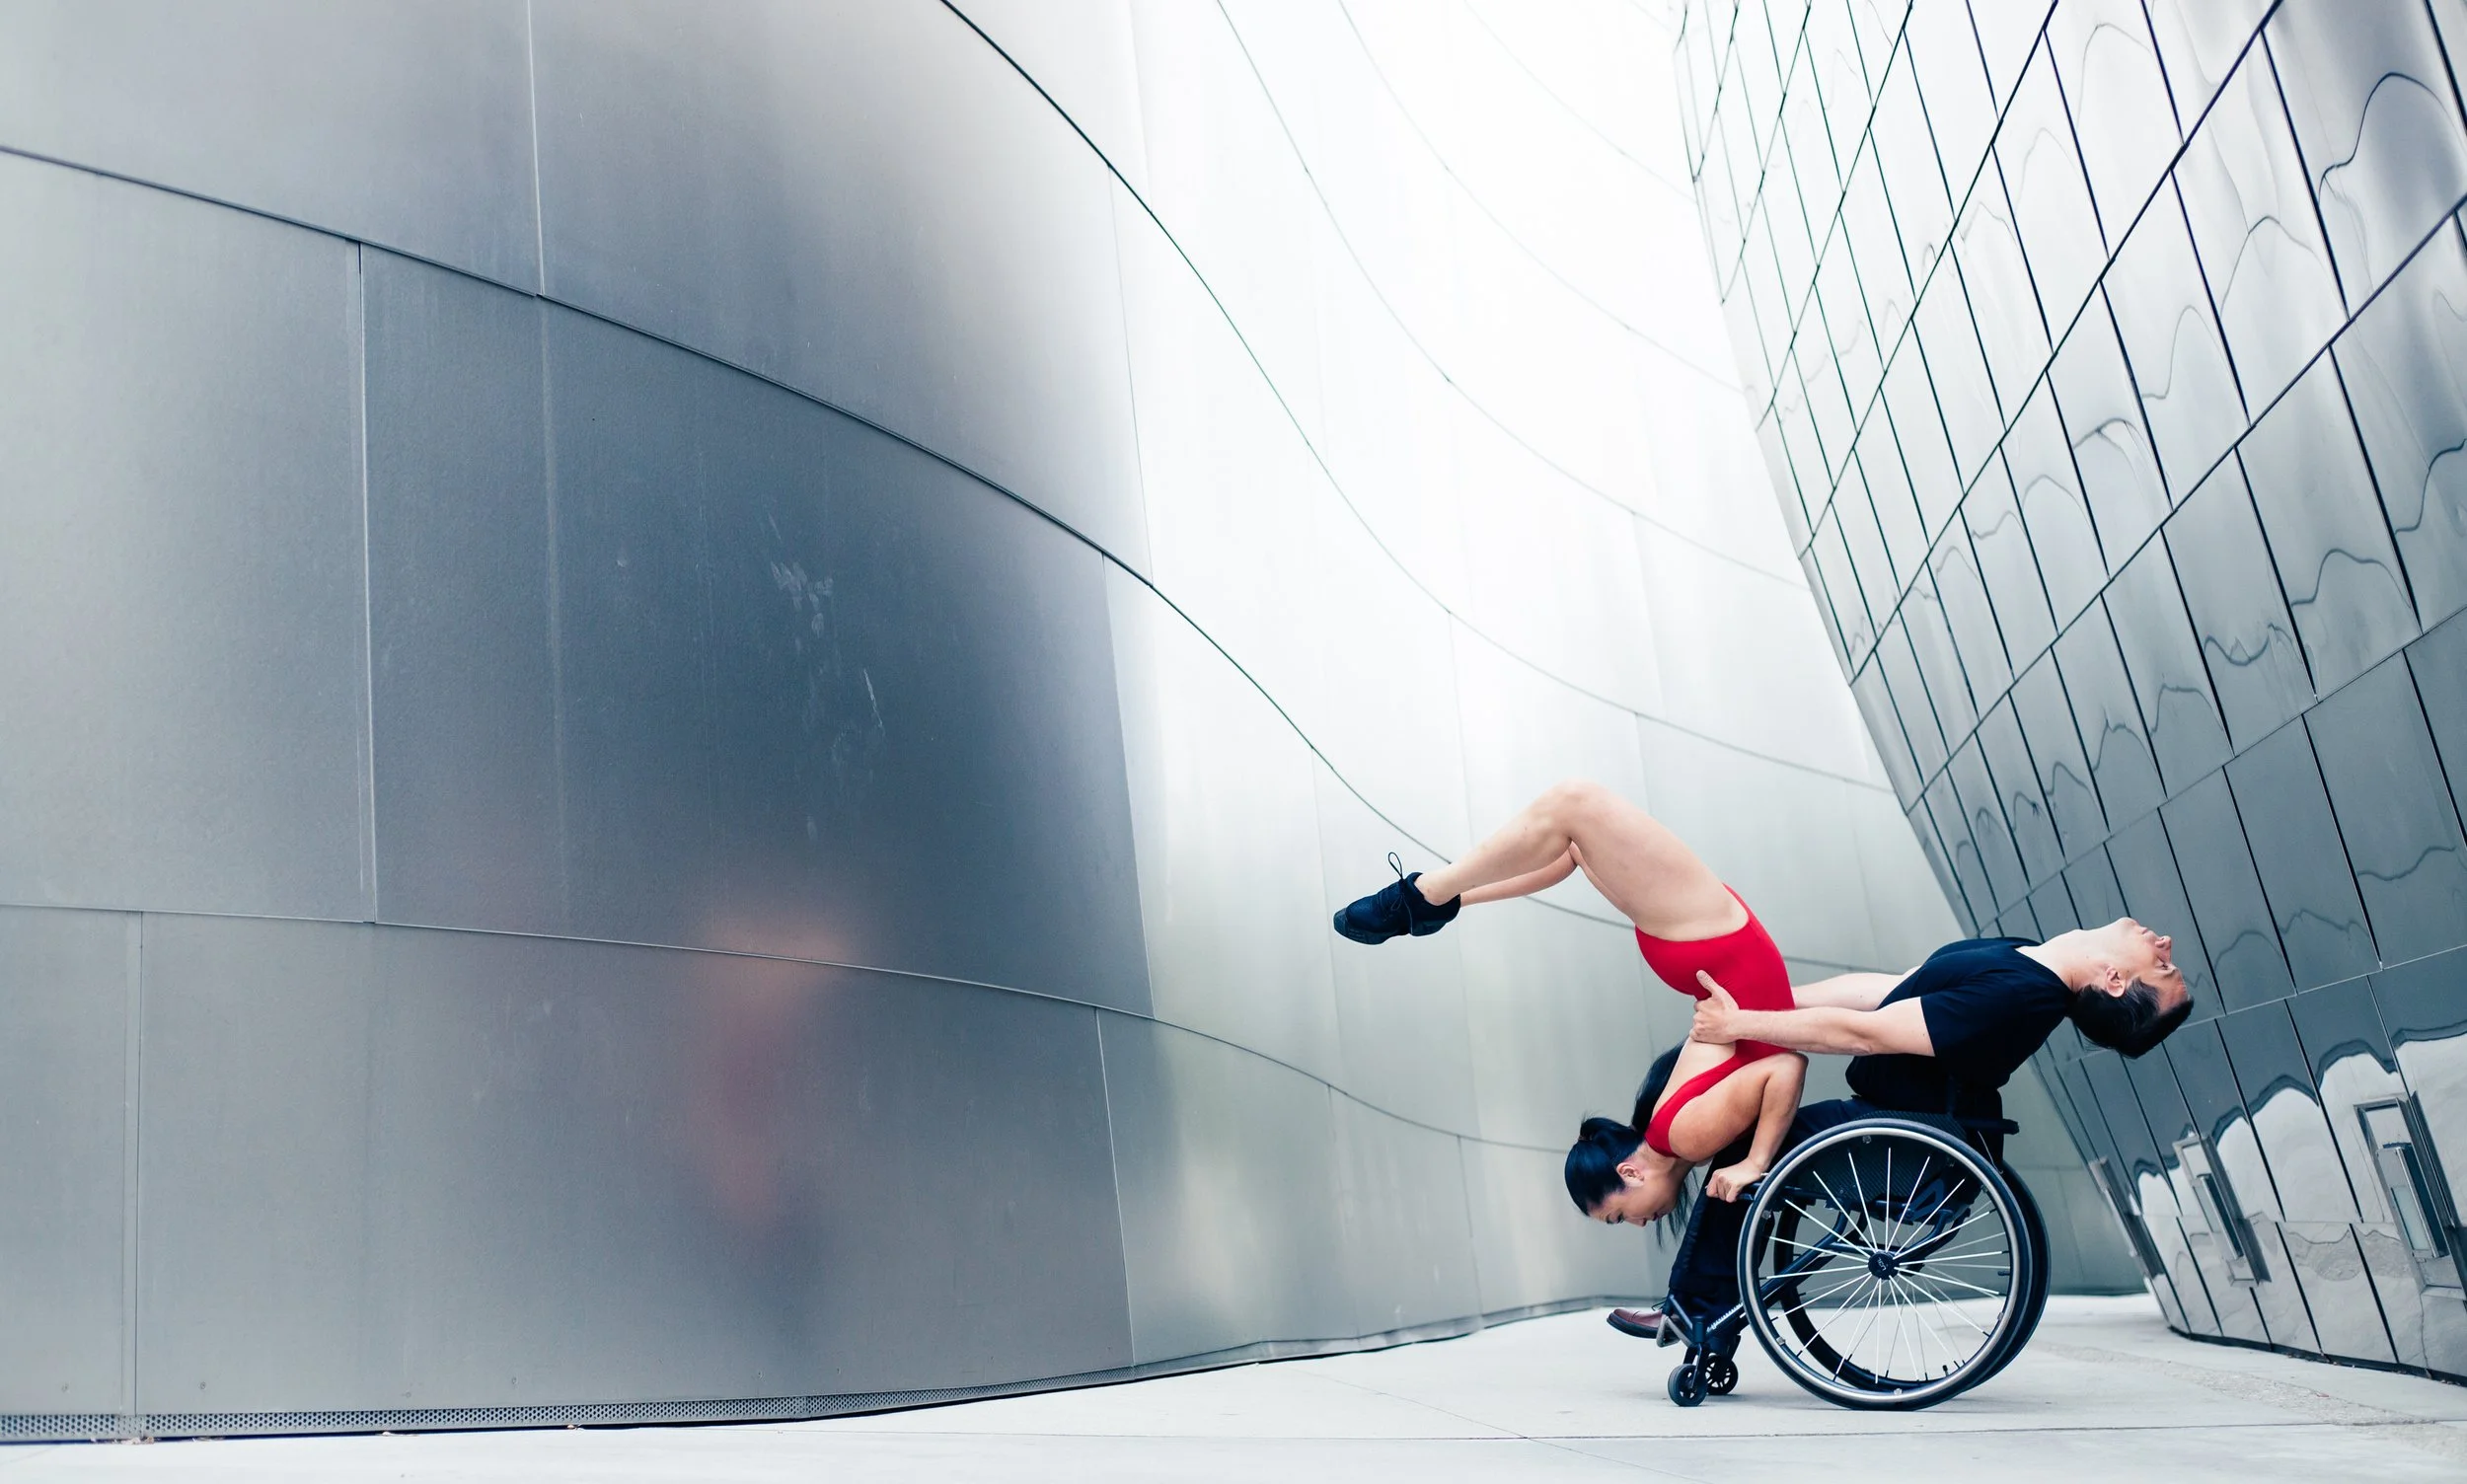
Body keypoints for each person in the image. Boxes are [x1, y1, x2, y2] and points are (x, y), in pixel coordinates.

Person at [1602, 914, 2194, 1342]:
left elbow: (1866, 1033)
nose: (2164, 942)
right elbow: (1885, 991)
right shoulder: (2024, 960)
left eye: (2162, 965)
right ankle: (1704, 1312)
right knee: (1746, 1132)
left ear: (2116, 981)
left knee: (1739, 1146)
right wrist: (1759, 1008)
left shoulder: (2018, 994)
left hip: (1916, 1144)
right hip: (1901, 1124)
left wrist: (1743, 1021)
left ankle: (1693, 1312)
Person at [1329, 779, 1811, 1222]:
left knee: (1575, 824)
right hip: (1711, 943)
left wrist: (1753, 1160)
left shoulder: (1681, 1137)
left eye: (1619, 1216)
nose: (1639, 1224)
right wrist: (1755, 1163)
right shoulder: (1684, 1138)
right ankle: (1431, 898)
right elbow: (1786, 1065)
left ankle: (1433, 898)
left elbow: (1773, 1057)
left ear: (1630, 1174)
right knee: (1572, 813)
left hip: (1710, 943)